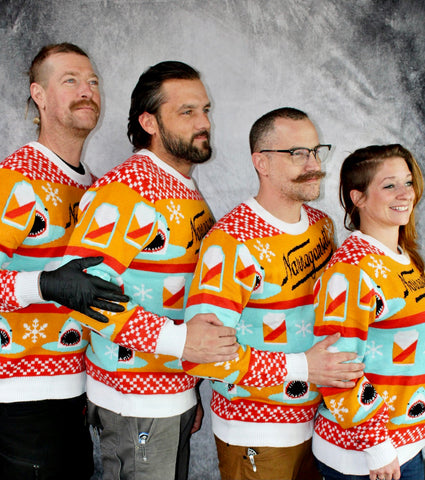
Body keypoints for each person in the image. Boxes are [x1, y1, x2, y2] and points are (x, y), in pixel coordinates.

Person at [63, 61, 238, 480]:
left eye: (206, 110)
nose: (204, 123)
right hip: (134, 403)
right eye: (187, 112)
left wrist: (187, 387)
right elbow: (82, 296)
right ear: (149, 122)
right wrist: (180, 342)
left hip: (171, 395)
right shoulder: (127, 191)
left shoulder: (183, 188)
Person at [183, 107, 365, 480]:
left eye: (316, 151)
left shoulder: (320, 225)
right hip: (258, 437)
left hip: (319, 426)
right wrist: (301, 367)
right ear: (261, 163)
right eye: (298, 153)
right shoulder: (232, 242)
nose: (314, 163)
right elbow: (202, 357)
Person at [0, 43, 128, 479]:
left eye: (93, 81)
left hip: (79, 391)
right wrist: (43, 285)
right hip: (19, 400)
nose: (87, 91)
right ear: (38, 94)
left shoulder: (93, 186)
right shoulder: (15, 180)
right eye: (70, 80)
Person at [312, 144, 425, 480]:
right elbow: (336, 370)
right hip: (365, 458)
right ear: (357, 198)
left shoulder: (403, 257)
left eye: (408, 182)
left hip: (404, 443)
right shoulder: (352, 271)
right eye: (389, 185)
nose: (405, 193)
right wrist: (377, 448)